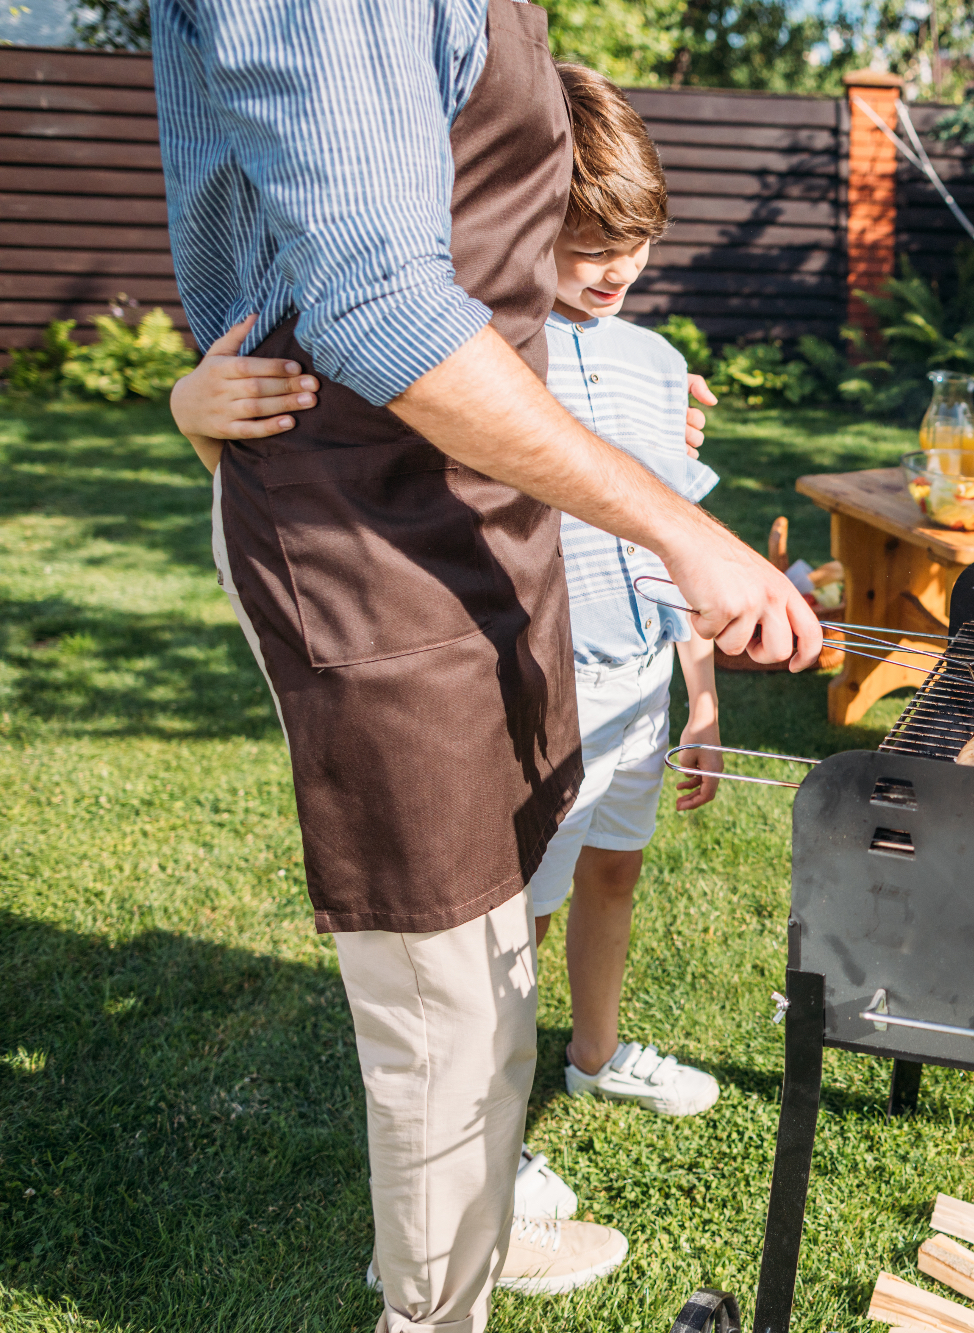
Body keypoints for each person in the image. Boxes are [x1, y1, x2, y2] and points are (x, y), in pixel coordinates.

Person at [153, 4, 821, 1329]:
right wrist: (680, 527)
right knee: (445, 987)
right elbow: (374, 298)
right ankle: (432, 1305)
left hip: (474, 507)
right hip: (364, 525)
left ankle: (481, 1218)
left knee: (503, 922)